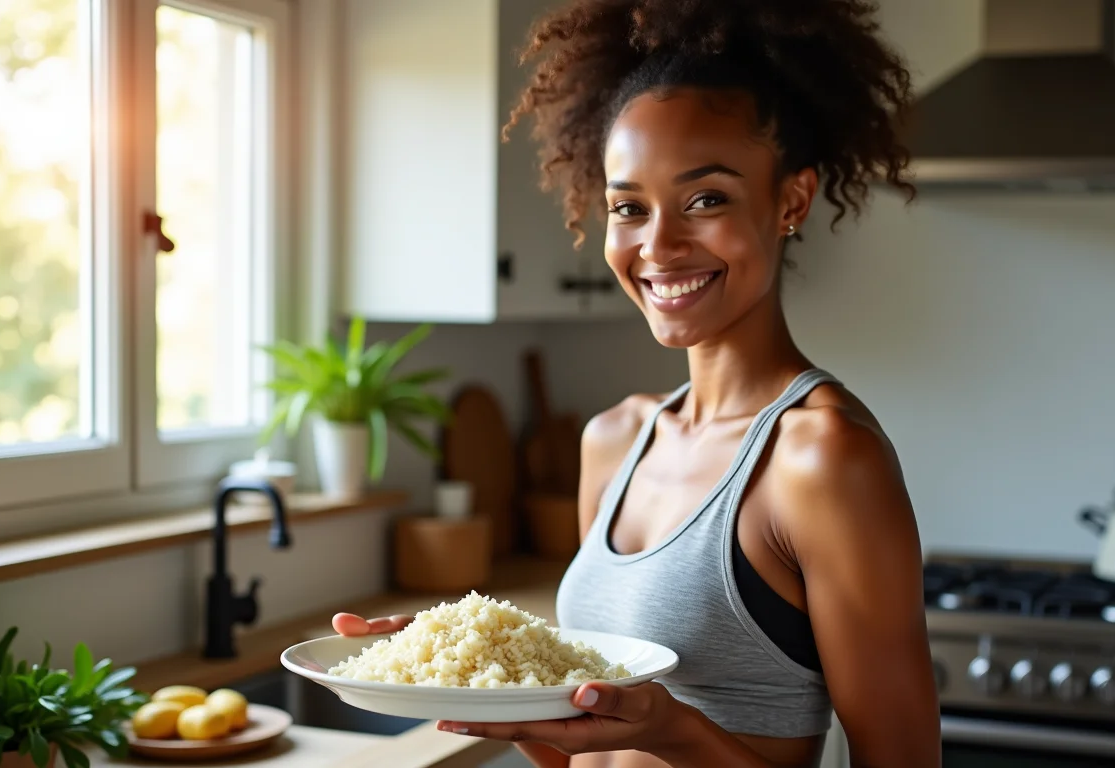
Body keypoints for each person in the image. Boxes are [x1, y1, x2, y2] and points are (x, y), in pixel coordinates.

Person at [332, 0, 940, 765]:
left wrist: (675, 731)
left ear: (791, 200)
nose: (659, 245)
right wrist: (473, 683)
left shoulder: (822, 458)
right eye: (628, 207)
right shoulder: (615, 440)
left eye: (705, 199)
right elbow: (584, 745)